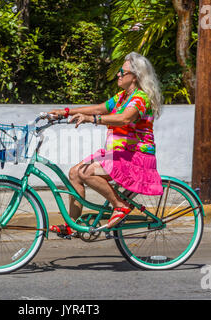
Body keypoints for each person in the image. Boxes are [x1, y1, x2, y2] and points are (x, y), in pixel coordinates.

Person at [47, 51, 164, 236]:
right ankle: (73, 226)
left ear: (135, 77)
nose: (118, 74)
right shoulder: (122, 97)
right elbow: (100, 108)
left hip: (135, 156)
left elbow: (124, 119)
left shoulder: (140, 98)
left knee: (86, 172)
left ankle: (119, 205)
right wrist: (65, 112)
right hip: (117, 154)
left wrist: (90, 119)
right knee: (74, 173)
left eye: (122, 72)